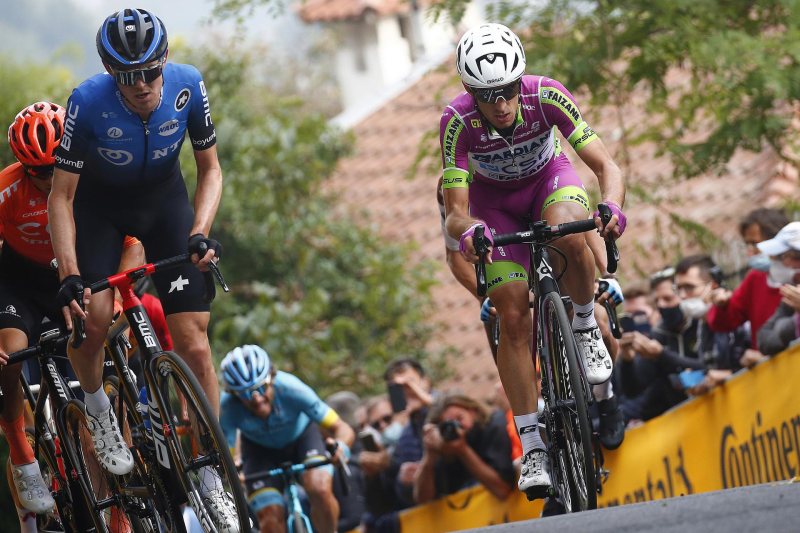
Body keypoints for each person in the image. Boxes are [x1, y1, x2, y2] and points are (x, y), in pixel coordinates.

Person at [47, 9, 233, 529]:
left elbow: (210, 168)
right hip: (101, 212)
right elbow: (61, 198)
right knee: (95, 321)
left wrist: (199, 230)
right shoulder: (86, 102)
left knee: (194, 344)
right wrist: (69, 274)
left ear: (165, 60)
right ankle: (98, 410)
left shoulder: (188, 85)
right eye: (128, 76)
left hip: (165, 203)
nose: (143, 85)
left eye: (151, 71)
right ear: (111, 72)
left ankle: (213, 472)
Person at [441, 22, 626, 496]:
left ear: (519, 80)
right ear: (469, 91)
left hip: (550, 181)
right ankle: (534, 446)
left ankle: (584, 326)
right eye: (487, 95)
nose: (501, 104)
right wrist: (472, 232)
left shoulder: (547, 95)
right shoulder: (457, 121)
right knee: (511, 312)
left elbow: (605, 166)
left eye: (507, 91)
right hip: (493, 208)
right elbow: (455, 216)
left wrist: (613, 206)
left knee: (570, 232)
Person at [0, 102, 143, 530]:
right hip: (19, 284)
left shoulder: (94, 175)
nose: (47, 180)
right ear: (23, 168)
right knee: (11, 353)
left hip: (74, 280)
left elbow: (132, 242)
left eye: (53, 168)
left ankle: (117, 514)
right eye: (37, 172)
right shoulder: (6, 190)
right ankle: (22, 453)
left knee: (95, 398)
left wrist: (117, 297)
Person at [219, 346, 355, 533]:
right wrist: (232, 470)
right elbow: (227, 456)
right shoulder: (227, 407)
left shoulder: (292, 388)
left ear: (272, 378)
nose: (257, 399)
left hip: (303, 440)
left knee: (319, 489)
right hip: (259, 453)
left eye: (261, 388)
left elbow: (341, 428)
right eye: (245, 394)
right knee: (269, 517)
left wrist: (341, 446)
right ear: (234, 395)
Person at [707, 208, 788, 367]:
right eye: (747, 245)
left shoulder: (794, 276)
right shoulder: (755, 278)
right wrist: (722, 304)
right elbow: (725, 323)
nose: (750, 252)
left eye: (755, 244)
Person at [414, 391, 515, 503]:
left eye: (459, 419)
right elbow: (423, 499)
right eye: (447, 425)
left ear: (472, 411)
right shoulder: (446, 445)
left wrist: (463, 451)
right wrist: (429, 455)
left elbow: (502, 490)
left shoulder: (495, 426)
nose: (455, 428)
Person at [756, 223, 800, 355]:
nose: (780, 263)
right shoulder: (793, 291)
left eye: (782, 256)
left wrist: (786, 327)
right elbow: (763, 338)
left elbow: (783, 329)